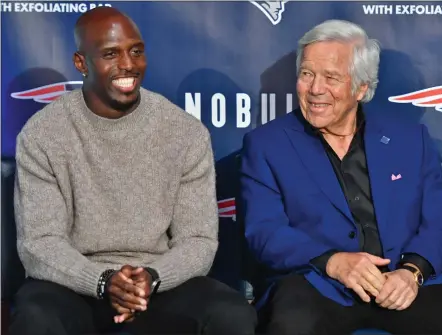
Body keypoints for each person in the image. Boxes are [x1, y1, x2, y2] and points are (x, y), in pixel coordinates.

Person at [9, 7, 257, 335]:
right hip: (74, 286)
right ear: (81, 63)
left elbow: (197, 240)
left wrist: (150, 279)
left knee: (230, 313)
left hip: (156, 284)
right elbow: (40, 244)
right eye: (111, 54)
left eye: (136, 51)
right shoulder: (43, 134)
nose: (128, 65)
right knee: (36, 314)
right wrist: (102, 282)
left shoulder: (184, 131)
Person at [239, 19, 442, 335]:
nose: (315, 88)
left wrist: (411, 272)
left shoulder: (410, 140)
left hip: (402, 283)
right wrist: (335, 263)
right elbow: (264, 233)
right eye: (307, 74)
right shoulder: (267, 145)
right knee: (291, 322)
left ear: (361, 87)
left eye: (331, 77)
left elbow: (440, 224)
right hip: (317, 285)